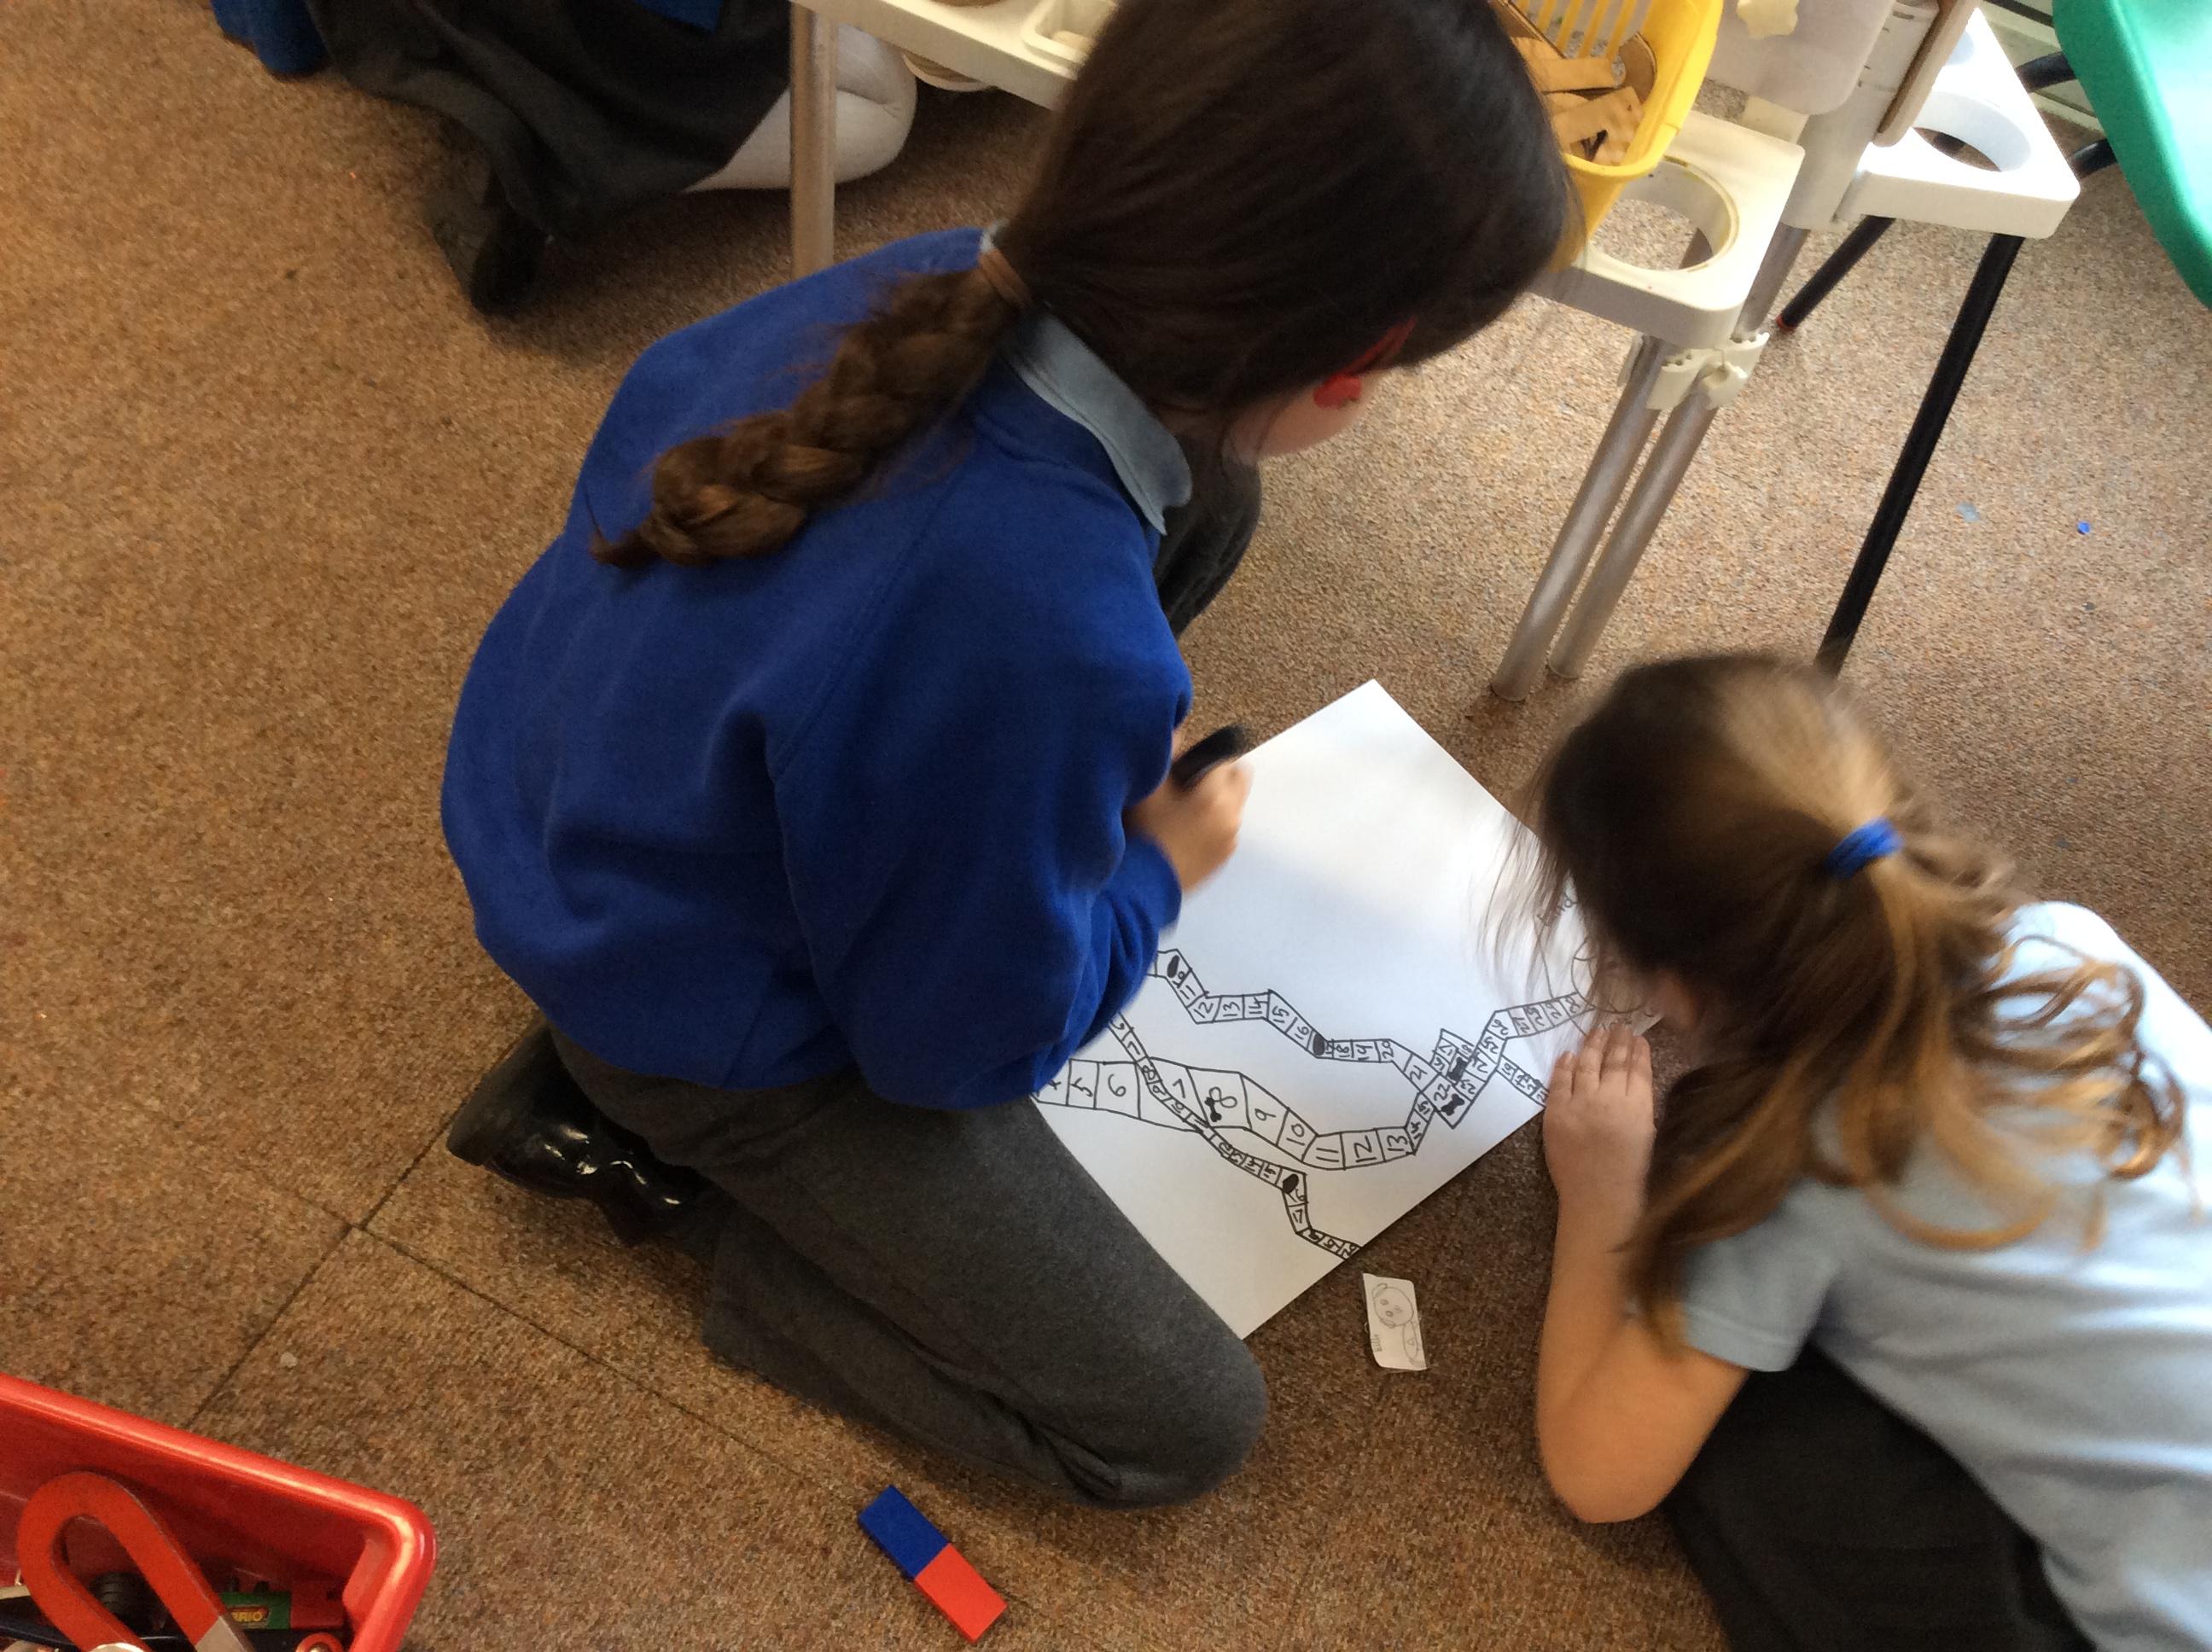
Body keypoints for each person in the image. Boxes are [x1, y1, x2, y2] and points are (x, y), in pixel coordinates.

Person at [439, 0, 1569, 1506]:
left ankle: (684, 1067)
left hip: (582, 808)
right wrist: (1155, 873)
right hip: (686, 1015)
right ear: (1357, 368)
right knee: (1179, 1423)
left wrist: (1016, 752)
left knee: (1212, 494)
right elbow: (952, 1052)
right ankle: (681, 1194)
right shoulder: (1049, 640)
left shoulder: (920, 278)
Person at [1525, 653, 2210, 1649]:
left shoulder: (1789, 1171)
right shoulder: (2074, 943)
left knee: (1750, 1431)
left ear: (1678, 987)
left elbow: (1597, 1472)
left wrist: (1602, 1199)